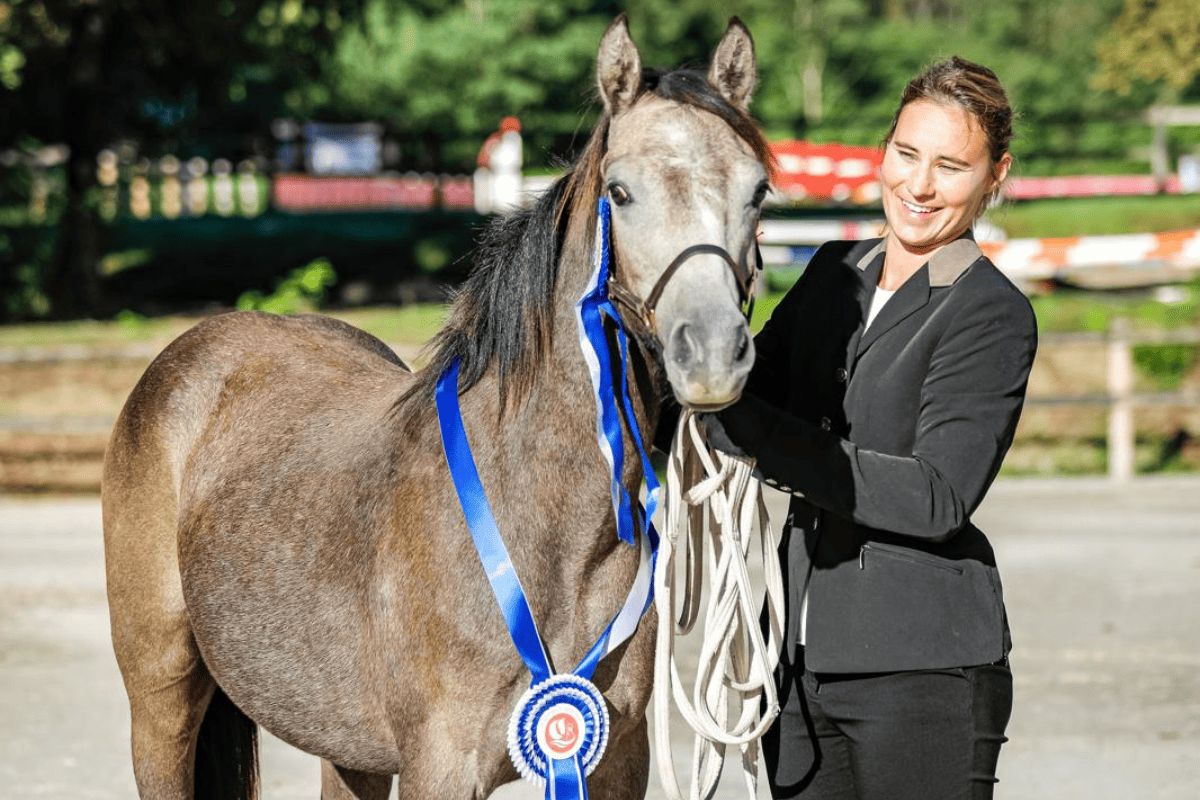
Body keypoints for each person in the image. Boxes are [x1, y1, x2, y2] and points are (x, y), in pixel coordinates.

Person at [699, 56, 1037, 799]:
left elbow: (935, 496)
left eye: (951, 166)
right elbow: (739, 396)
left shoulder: (989, 311)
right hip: (794, 659)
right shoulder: (831, 273)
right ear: (883, 151)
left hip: (921, 667)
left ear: (994, 175)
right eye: (907, 154)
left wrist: (750, 426)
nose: (918, 186)